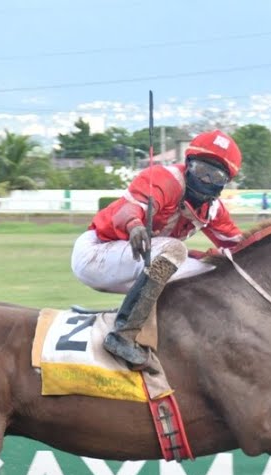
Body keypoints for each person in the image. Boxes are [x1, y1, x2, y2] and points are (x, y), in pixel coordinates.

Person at [71, 129, 245, 369]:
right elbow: (126, 211)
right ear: (188, 164)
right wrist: (134, 225)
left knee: (213, 268)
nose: (205, 180)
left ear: (224, 183)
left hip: (137, 263)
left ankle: (173, 330)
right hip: (97, 252)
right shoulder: (164, 179)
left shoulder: (213, 210)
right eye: (200, 171)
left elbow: (240, 246)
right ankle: (123, 335)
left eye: (214, 176)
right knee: (174, 249)